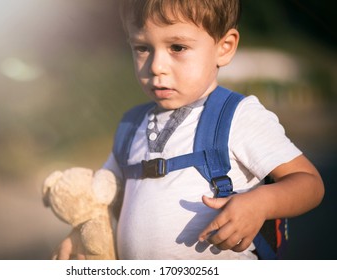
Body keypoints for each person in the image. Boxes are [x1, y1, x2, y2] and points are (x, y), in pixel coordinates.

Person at [51, 0, 324, 260]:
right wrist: (81, 235)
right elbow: (100, 198)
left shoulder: (237, 116)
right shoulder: (131, 125)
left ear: (224, 47)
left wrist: (261, 203)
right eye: (142, 48)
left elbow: (309, 184)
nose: (156, 66)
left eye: (177, 47)